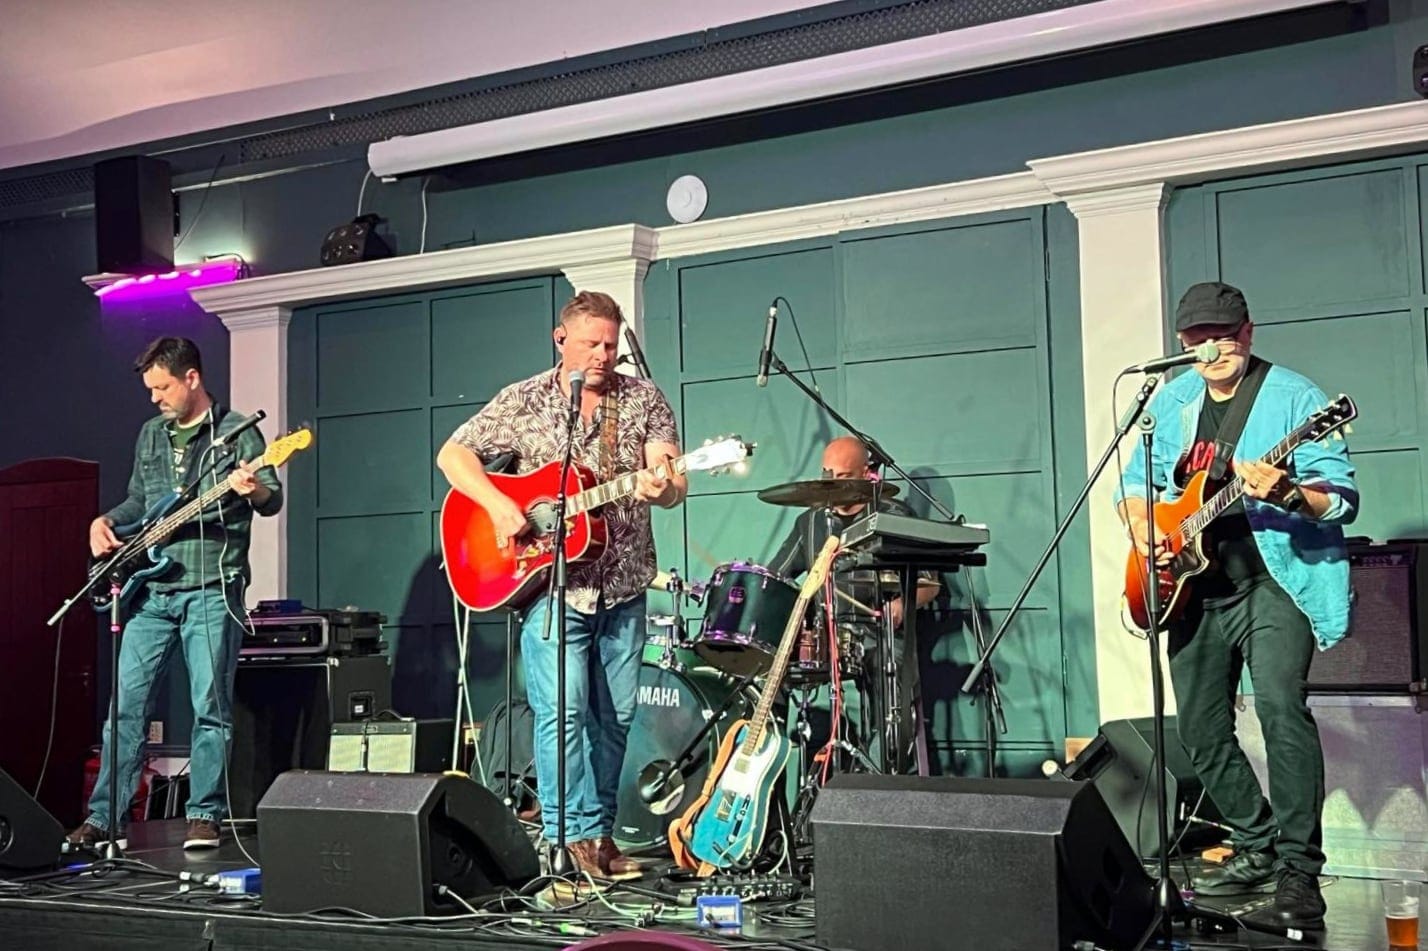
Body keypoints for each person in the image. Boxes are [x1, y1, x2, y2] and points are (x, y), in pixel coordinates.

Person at [1115, 282, 1357, 930]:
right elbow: (1134, 487)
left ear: (1248, 332)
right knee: (1197, 728)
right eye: (1198, 338)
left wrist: (1288, 492)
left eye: (1224, 334)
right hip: (1196, 587)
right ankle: (1256, 845)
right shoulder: (1170, 402)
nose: (1212, 346)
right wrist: (1151, 533)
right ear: (1181, 344)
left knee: (1281, 707)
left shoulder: (1297, 399)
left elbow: (1341, 496)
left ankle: (1300, 872)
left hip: (1276, 581)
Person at [437, 290, 685, 881]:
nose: (603, 354)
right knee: (561, 714)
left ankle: (597, 833)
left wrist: (663, 487)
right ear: (561, 338)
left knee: (617, 716)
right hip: (551, 587)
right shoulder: (523, 400)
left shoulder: (645, 399)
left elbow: (671, 478)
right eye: (591, 343)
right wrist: (499, 505)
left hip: (623, 584)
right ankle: (566, 838)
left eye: (610, 343)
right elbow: (453, 456)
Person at [69, 336, 283, 851]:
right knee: (125, 707)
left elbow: (270, 497)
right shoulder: (151, 434)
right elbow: (139, 501)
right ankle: (104, 818)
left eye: (162, 387)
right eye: (150, 388)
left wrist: (251, 487)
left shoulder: (237, 433)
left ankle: (204, 814)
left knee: (209, 707)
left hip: (211, 588)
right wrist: (104, 521)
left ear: (192, 379)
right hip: (153, 592)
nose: (154, 398)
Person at [769, 435, 940, 773]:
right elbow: (777, 576)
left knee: (890, 677)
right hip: (826, 635)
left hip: (879, 631)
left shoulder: (893, 515)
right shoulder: (811, 521)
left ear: (866, 473)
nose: (832, 483)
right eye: (827, 474)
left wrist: (900, 607)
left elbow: (929, 584)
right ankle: (771, 772)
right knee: (771, 673)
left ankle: (876, 781)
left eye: (843, 477)